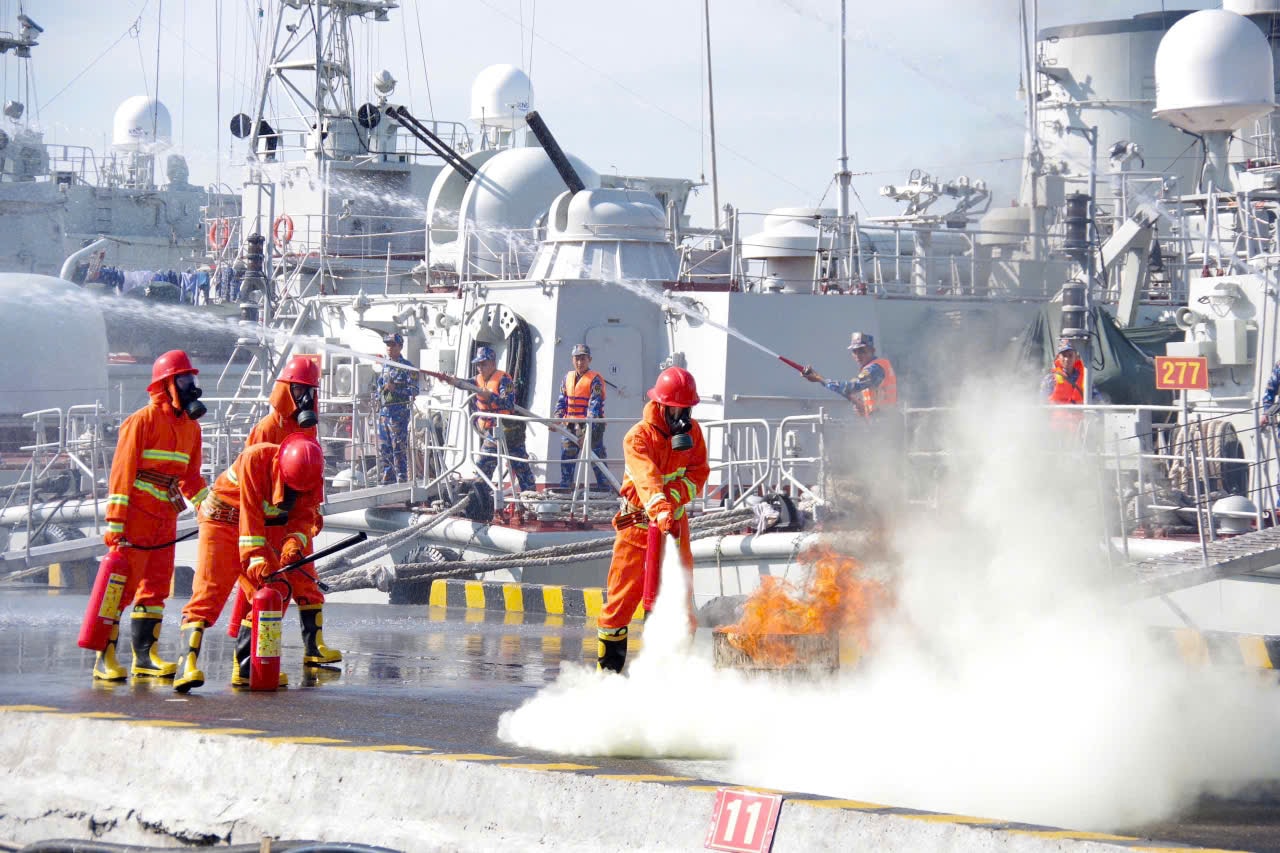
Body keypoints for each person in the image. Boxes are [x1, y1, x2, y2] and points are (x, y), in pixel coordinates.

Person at [173, 433, 326, 693]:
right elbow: (250, 512)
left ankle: (246, 668)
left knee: (277, 589)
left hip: (254, 530)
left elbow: (303, 516)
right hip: (220, 522)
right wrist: (256, 557)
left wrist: (293, 543)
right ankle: (184, 667)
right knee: (209, 594)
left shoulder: (311, 474)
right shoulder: (255, 458)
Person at [94, 350, 209, 682]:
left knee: (156, 587)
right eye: (184, 379)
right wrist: (116, 523)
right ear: (167, 384)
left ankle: (145, 657)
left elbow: (190, 478)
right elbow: (121, 474)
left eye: (192, 379)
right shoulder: (141, 421)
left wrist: (209, 507)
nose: (191, 386)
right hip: (137, 516)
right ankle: (104, 658)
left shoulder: (191, 428)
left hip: (165, 517)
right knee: (122, 587)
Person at [597, 366, 710, 674]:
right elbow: (646, 479)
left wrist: (671, 501)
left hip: (673, 530)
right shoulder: (638, 437)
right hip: (636, 528)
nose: (683, 415)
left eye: (686, 408)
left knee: (680, 602)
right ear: (662, 405)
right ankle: (607, 677)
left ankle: (672, 675)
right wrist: (659, 507)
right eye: (677, 408)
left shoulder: (692, 433)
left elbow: (698, 473)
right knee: (620, 602)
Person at [235, 354, 340, 667]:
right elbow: (252, 480)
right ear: (285, 390)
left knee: (306, 580)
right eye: (299, 389)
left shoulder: (308, 430)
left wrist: (311, 513)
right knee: (270, 588)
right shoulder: (266, 429)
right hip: (270, 523)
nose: (305, 397)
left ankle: (314, 647)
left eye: (310, 390)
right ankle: (251, 657)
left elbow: (311, 470)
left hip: (296, 518)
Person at [469, 345, 536, 494]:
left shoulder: (504, 380)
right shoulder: (477, 380)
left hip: (509, 432)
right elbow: (464, 383)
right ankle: (479, 498)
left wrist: (490, 396)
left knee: (520, 466)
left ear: (493, 364)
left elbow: (508, 403)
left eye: (484, 364)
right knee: (483, 466)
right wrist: (450, 380)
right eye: (478, 365)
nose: (480, 368)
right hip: (491, 433)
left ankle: (531, 498)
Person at [802, 331, 898, 417]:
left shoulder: (875, 369)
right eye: (854, 351)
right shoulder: (876, 367)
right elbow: (850, 391)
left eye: (862, 351)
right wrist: (863, 408)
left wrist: (819, 378)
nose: (857, 355)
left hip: (885, 421)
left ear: (872, 351)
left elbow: (850, 387)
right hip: (883, 421)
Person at [554, 343, 610, 490]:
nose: (579, 362)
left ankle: (604, 488)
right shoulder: (567, 378)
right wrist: (556, 419)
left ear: (589, 360)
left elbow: (594, 407)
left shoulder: (595, 380)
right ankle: (566, 489)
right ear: (572, 360)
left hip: (591, 426)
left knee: (596, 458)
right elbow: (562, 400)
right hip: (570, 425)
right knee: (567, 457)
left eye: (583, 359)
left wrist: (587, 433)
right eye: (576, 359)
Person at [373, 332, 419, 484]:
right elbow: (380, 386)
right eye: (387, 344)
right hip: (384, 414)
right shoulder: (385, 366)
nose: (389, 347)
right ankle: (388, 475)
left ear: (400, 347)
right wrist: (377, 396)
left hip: (399, 415)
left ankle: (401, 477)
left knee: (398, 448)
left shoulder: (406, 367)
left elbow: (414, 390)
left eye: (392, 345)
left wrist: (396, 389)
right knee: (385, 447)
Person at [1041, 339, 1085, 405]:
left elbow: (1096, 399)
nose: (1067, 359)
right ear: (1058, 357)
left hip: (1080, 411)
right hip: (1057, 412)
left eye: (1070, 355)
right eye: (1064, 355)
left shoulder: (1085, 379)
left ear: (1076, 357)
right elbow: (1042, 402)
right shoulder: (1050, 379)